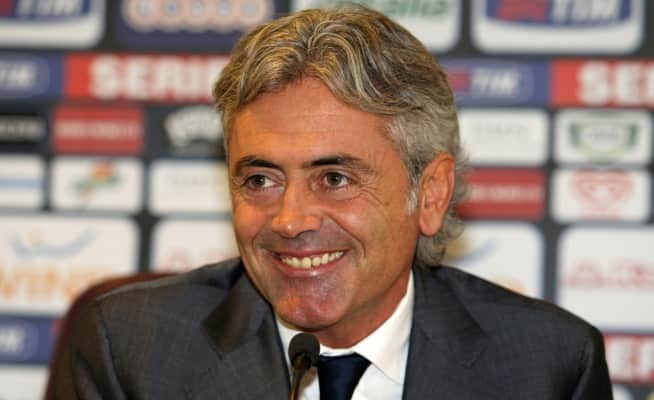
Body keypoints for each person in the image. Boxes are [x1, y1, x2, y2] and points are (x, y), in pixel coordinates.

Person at [50, 5, 612, 399]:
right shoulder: (132, 350)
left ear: (430, 194)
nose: (290, 220)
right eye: (260, 180)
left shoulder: (547, 366)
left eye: (335, 178)